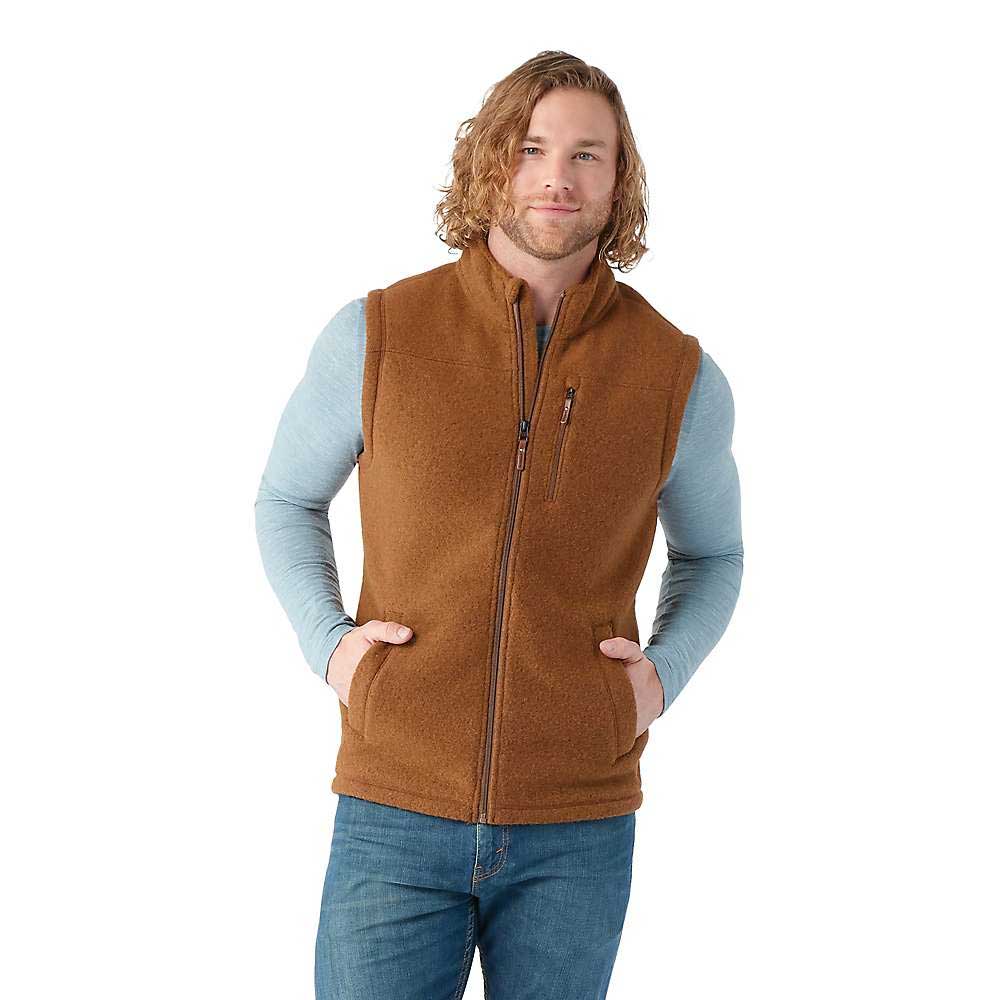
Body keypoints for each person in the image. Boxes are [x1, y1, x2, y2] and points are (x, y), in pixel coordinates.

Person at [255, 50, 744, 1000]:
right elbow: (285, 500)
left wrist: (658, 681)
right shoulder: (378, 334)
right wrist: (332, 647)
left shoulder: (676, 373)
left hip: (578, 826)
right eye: (531, 148)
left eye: (587, 154)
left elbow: (714, 554)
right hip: (394, 805)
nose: (557, 177)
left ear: (620, 178)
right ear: (490, 163)